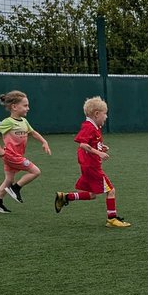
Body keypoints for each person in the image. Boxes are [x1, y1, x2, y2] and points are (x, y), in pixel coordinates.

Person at [54, 96, 131, 227]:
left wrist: (101, 146)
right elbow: (83, 145)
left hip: (89, 166)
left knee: (92, 195)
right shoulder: (89, 127)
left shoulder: (94, 127)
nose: (106, 117)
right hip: (92, 167)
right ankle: (112, 219)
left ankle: (65, 197)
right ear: (96, 114)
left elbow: (91, 143)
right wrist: (99, 152)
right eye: (105, 114)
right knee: (111, 191)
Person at [0, 90, 51, 213]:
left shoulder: (24, 121)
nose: (28, 108)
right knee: (35, 171)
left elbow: (33, 132)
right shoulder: (8, 122)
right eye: (25, 105)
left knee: (8, 180)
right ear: (14, 107)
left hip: (15, 155)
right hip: (11, 155)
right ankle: (16, 188)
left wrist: (44, 142)